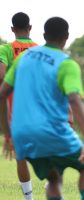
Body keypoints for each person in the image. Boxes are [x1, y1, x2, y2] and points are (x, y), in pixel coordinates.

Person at [0, 17, 84, 200]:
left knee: (53, 178)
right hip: (52, 130)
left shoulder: (23, 58)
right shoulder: (66, 64)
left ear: (44, 35)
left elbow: (2, 94)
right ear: (66, 37)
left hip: (22, 134)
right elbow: (74, 100)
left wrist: (8, 134)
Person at [0, 12, 37, 200]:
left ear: (12, 29)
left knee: (20, 155)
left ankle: (28, 198)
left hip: (17, 109)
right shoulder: (40, 50)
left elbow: (1, 75)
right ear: (30, 27)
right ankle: (53, 182)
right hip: (40, 108)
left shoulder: (5, 49)